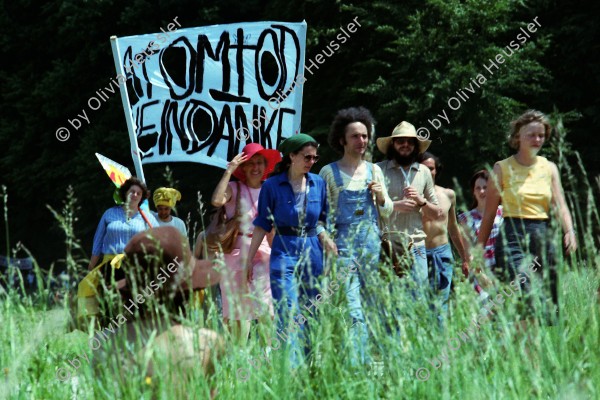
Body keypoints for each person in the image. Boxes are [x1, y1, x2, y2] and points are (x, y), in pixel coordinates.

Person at [477, 110, 577, 322]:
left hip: (542, 236)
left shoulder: (549, 168)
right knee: (527, 290)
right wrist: (477, 251)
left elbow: (560, 205)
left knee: (547, 303)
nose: (537, 139)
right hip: (513, 238)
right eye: (531, 134)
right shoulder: (501, 168)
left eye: (541, 135)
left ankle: (531, 352)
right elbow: (489, 215)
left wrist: (570, 231)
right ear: (517, 137)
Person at [245, 133, 337, 365]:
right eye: (306, 156)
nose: (311, 162)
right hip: (283, 249)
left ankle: (309, 365)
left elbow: (321, 221)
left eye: (314, 158)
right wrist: (248, 260)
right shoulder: (272, 186)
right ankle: (291, 367)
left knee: (311, 310)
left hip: (312, 251)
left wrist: (325, 238)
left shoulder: (319, 183)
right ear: (292, 156)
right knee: (287, 310)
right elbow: (262, 224)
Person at [319, 107, 393, 366]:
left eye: (364, 136)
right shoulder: (328, 172)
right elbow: (317, 216)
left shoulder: (375, 171)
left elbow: (387, 211)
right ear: (342, 140)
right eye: (355, 136)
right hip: (342, 247)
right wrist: (324, 237)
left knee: (373, 304)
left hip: (371, 245)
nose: (361, 141)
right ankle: (354, 364)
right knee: (352, 308)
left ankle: (375, 362)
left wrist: (381, 196)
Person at [210, 143, 281, 342]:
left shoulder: (271, 189)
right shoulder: (234, 187)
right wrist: (229, 170)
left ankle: (267, 360)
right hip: (234, 255)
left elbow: (273, 228)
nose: (255, 167)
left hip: (263, 254)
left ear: (266, 166)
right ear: (243, 167)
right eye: (250, 163)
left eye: (259, 163)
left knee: (266, 309)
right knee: (237, 313)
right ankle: (238, 360)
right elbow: (216, 201)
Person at [78, 177, 158, 321]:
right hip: (109, 266)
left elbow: (158, 244)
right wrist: (90, 268)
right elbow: (97, 244)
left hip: (135, 266)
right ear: (125, 193)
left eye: (138, 193)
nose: (134, 195)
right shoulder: (109, 214)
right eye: (132, 191)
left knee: (133, 304)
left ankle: (134, 337)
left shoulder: (148, 218)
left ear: (141, 198)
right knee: (107, 303)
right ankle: (106, 337)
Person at [376, 122, 442, 294]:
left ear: (415, 146)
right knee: (387, 300)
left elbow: (437, 213)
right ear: (392, 144)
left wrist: (421, 201)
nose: (405, 145)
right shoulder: (378, 169)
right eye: (400, 141)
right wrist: (394, 206)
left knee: (418, 298)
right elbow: (368, 207)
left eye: (410, 141)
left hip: (417, 244)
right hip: (386, 243)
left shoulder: (424, 171)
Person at [420, 151, 470, 326]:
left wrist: (465, 258)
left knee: (439, 305)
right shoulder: (411, 196)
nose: (428, 171)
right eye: (423, 168)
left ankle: (439, 348)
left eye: (431, 168)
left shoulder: (448, 195)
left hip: (442, 253)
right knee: (419, 305)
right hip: (418, 253)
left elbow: (453, 228)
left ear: (436, 170)